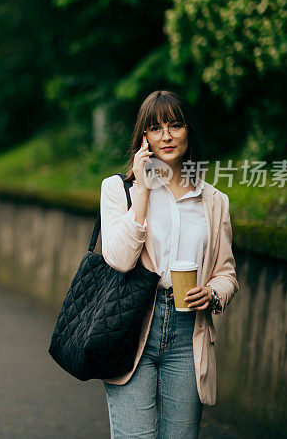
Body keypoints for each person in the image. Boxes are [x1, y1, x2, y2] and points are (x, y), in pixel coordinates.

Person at [98, 90, 239, 438]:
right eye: (155, 128)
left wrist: (213, 293)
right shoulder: (119, 190)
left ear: (188, 131)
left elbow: (227, 272)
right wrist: (143, 191)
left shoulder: (214, 201)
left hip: (188, 332)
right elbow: (118, 259)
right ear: (143, 137)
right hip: (132, 325)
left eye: (175, 125)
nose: (166, 136)